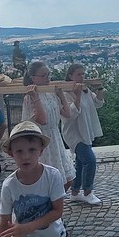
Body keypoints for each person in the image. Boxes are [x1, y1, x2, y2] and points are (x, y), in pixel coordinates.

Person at [21, 61, 75, 191]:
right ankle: (50, 205)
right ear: (34, 78)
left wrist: (61, 95)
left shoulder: (50, 94)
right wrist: (35, 98)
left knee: (68, 180)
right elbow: (42, 120)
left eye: (48, 74)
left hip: (55, 137)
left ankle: (55, 203)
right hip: (42, 139)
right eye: (43, 75)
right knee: (49, 180)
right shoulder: (30, 98)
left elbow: (67, 114)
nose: (48, 78)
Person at [61, 64, 105, 205]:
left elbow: (98, 103)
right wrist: (77, 96)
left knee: (80, 163)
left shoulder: (85, 90)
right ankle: (87, 192)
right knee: (90, 160)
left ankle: (74, 192)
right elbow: (70, 114)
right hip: (74, 133)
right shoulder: (66, 92)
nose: (82, 77)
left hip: (85, 130)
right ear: (70, 76)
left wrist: (99, 88)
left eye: (83, 74)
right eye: (79, 74)